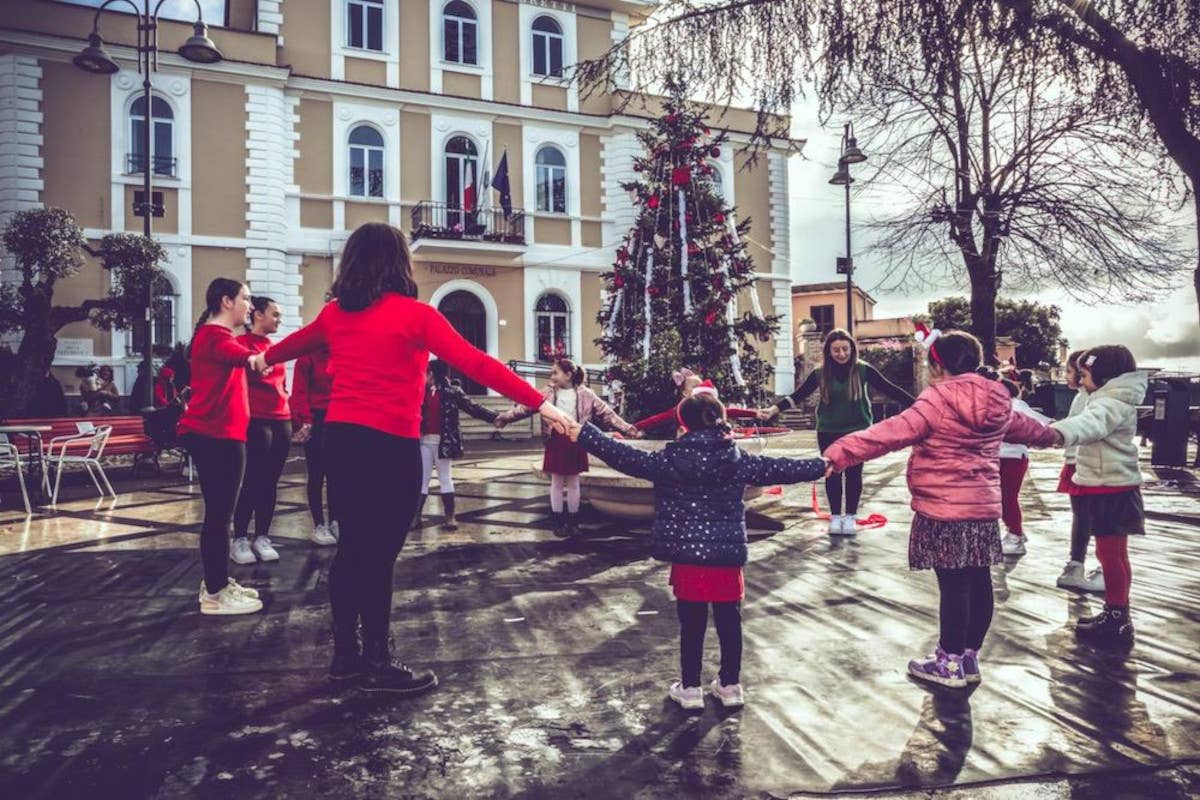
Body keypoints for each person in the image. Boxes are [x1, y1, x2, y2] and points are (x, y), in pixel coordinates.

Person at [259, 222, 574, 695]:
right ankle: (379, 661)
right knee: (379, 557)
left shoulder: (334, 315)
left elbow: (289, 347)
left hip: (341, 441)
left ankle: (346, 657)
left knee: (351, 552)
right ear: (398, 263)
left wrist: (259, 361)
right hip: (390, 446)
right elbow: (477, 363)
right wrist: (542, 403)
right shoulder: (415, 316)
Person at [823, 330, 1060, 689]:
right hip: (982, 508)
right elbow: (1030, 429)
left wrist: (836, 454)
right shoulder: (998, 397)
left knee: (953, 587)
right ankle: (968, 658)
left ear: (937, 364)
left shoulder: (937, 400)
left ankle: (947, 663)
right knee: (979, 581)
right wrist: (1059, 435)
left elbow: (888, 433)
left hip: (943, 509)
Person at [568, 386, 828, 710]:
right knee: (730, 623)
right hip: (726, 557)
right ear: (720, 420)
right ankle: (730, 685)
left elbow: (625, 457)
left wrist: (583, 434)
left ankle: (690, 688)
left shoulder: (670, 458)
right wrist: (823, 465)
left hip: (688, 558)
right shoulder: (737, 458)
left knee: (691, 624)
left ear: (683, 425)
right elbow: (781, 468)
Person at [756, 328, 914, 537]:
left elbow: (890, 389)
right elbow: (799, 395)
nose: (841, 354)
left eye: (845, 349)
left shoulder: (863, 370)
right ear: (828, 352)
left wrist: (919, 405)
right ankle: (835, 517)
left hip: (857, 429)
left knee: (854, 474)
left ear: (852, 349)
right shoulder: (820, 374)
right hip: (828, 430)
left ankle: (849, 517)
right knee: (831, 473)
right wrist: (774, 409)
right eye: (836, 350)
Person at [1049, 345, 1146, 650]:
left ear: (1103, 376)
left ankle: (1117, 618)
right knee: (1112, 554)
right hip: (1110, 486)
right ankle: (1115, 612)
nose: (1081, 379)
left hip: (1111, 489)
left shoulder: (1110, 403)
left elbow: (1089, 426)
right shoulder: (1106, 398)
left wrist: (1054, 433)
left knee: (1110, 555)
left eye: (1086, 374)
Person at [178, 278, 264, 616]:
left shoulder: (216, 336)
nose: (250, 305)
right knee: (219, 518)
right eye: (245, 298)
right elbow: (247, 358)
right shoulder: (215, 337)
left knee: (219, 515)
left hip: (220, 436)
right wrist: (261, 357)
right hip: (217, 437)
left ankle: (216, 582)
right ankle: (214, 595)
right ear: (227, 301)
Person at [495, 357, 641, 537]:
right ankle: (558, 521)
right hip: (556, 440)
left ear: (569, 375)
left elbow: (607, 413)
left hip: (576, 439)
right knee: (556, 482)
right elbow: (525, 408)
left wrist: (627, 428)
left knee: (573, 483)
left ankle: (573, 522)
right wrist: (505, 417)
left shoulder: (586, 394)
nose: (552, 376)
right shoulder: (547, 393)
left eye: (555, 372)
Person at [230, 296, 292, 565]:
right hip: (256, 419)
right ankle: (240, 538)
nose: (279, 319)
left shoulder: (276, 348)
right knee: (252, 480)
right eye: (275, 314)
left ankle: (262, 537)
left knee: (270, 482)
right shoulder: (239, 346)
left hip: (282, 419)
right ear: (257, 315)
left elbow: (283, 384)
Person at [413, 359, 499, 531]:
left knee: (445, 477)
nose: (424, 376)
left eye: (427, 372)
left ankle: (450, 517)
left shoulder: (452, 391)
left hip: (444, 442)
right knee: (422, 479)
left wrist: (495, 417)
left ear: (433, 374)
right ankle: (416, 518)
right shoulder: (421, 391)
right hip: (424, 442)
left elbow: (472, 407)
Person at [1054, 350, 1105, 593]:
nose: (1068, 376)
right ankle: (1079, 565)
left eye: (1071, 371)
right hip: (1078, 461)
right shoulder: (1083, 396)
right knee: (1084, 516)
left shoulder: (1090, 398)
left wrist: (1053, 433)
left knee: (1087, 516)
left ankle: (1089, 567)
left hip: (1082, 462)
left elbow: (1082, 427)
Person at [999, 376, 1053, 556]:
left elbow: (1042, 424)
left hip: (1010, 458)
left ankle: (1015, 534)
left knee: (1007, 498)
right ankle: (1015, 532)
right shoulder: (1017, 405)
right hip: (1009, 457)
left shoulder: (1014, 406)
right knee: (1005, 498)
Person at [291, 346, 339, 547]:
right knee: (317, 473)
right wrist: (305, 421)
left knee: (338, 474)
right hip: (316, 419)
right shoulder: (306, 357)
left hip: (338, 417)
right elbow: (299, 392)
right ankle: (319, 524)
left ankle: (336, 521)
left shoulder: (340, 354)